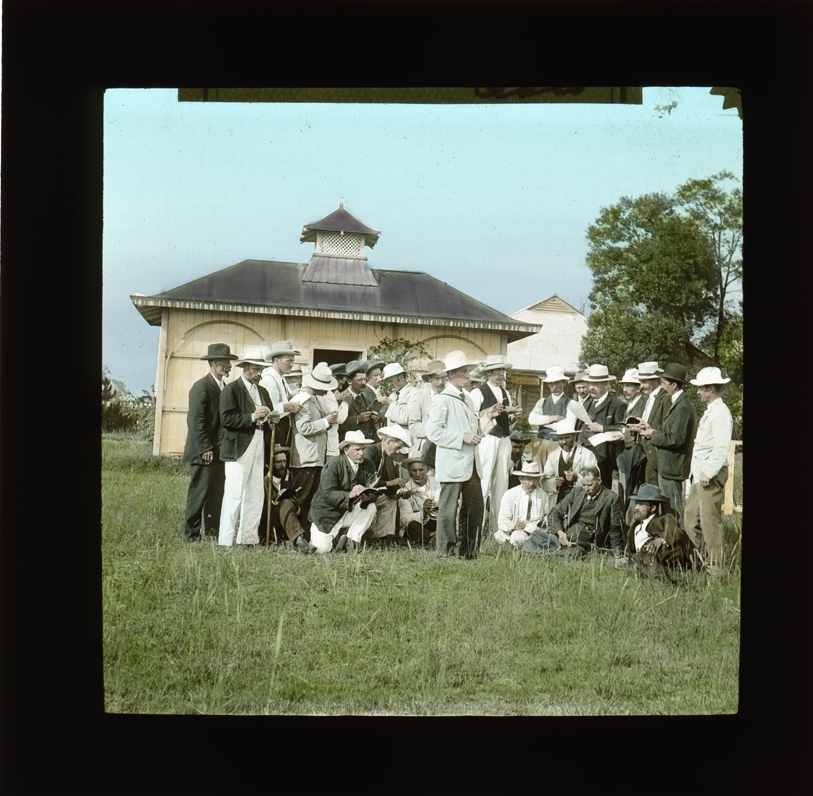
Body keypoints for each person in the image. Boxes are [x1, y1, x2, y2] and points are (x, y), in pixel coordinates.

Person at [427, 350, 501, 558]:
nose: (468, 375)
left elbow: (476, 433)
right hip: (452, 464)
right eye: (464, 371)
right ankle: (445, 552)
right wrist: (462, 437)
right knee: (448, 511)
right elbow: (433, 432)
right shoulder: (443, 399)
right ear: (451, 374)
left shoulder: (466, 399)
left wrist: (489, 418)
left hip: (471, 466)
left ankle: (469, 552)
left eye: (468, 371)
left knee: (475, 509)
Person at [218, 348, 276, 547]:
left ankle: (247, 539)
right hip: (239, 445)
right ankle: (226, 540)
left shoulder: (263, 391)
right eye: (255, 369)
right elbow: (226, 419)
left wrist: (271, 417)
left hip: (260, 441)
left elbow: (269, 414)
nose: (259, 373)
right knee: (234, 493)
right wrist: (252, 417)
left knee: (255, 492)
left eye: (261, 369)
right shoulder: (231, 390)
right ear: (245, 368)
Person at [182, 343, 237, 542]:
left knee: (216, 495)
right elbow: (196, 422)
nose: (229, 366)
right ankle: (192, 535)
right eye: (226, 363)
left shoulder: (223, 386)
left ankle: (212, 534)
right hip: (204, 452)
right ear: (214, 364)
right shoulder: (201, 387)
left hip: (220, 452)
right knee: (199, 493)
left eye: (229, 363)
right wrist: (205, 447)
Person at [683, 367, 734, 572]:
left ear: (711, 388)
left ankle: (716, 570)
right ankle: (703, 561)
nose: (697, 392)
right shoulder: (711, 411)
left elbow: (722, 447)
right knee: (690, 519)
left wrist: (709, 472)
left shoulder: (721, 413)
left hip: (708, 476)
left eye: (701, 388)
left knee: (710, 524)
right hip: (700, 475)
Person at [636, 363, 697, 528]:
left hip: (673, 467)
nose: (661, 386)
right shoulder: (676, 403)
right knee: (669, 507)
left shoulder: (682, 407)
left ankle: (678, 544)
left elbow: (675, 439)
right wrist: (650, 427)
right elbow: (669, 431)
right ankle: (672, 542)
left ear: (673, 385)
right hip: (668, 465)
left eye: (663, 383)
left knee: (673, 508)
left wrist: (652, 434)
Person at [470, 355, 523, 535]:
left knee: (501, 483)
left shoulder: (506, 393)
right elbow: (472, 418)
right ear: (489, 373)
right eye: (498, 371)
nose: (501, 375)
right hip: (487, 439)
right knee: (484, 483)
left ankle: (496, 529)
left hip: (504, 440)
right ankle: (476, 529)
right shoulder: (478, 392)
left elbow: (507, 422)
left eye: (503, 371)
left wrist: (512, 417)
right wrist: (489, 414)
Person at [526, 465, 623, 557]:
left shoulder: (611, 498)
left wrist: (617, 553)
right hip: (565, 535)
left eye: (589, 485)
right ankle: (554, 550)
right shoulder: (577, 492)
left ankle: (550, 553)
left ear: (599, 480)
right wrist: (560, 532)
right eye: (583, 485)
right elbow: (555, 512)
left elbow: (615, 529)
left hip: (585, 542)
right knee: (536, 536)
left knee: (575, 552)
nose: (586, 489)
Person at [308, 430, 379, 553]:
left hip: (349, 511)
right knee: (322, 550)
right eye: (357, 449)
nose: (361, 453)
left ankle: (351, 540)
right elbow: (327, 495)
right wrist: (350, 494)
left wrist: (369, 496)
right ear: (346, 450)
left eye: (363, 449)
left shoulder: (368, 464)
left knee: (371, 507)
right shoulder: (333, 465)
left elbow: (371, 488)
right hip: (327, 514)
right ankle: (334, 539)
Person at [288, 362, 340, 525]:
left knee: (310, 498)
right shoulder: (302, 400)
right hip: (305, 459)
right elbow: (303, 427)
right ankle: (294, 535)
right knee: (301, 498)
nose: (326, 390)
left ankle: (305, 534)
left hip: (314, 458)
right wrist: (325, 422)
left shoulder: (313, 400)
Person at [529, 366, 592, 467]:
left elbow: (568, 426)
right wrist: (553, 419)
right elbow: (532, 419)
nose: (555, 386)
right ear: (548, 385)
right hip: (540, 441)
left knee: (556, 470)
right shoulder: (542, 402)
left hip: (558, 443)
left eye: (557, 382)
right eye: (551, 383)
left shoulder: (571, 403)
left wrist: (544, 422)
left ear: (563, 383)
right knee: (537, 469)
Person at [624, 483, 696, 573]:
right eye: (636, 504)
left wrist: (661, 539)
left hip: (659, 568)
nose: (636, 508)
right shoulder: (635, 526)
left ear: (653, 508)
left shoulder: (662, 519)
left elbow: (676, 531)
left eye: (641, 504)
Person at [259, 445, 316, 553]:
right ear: (268, 464)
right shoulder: (263, 483)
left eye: (284, 461)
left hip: (286, 523)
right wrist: (275, 502)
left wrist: (294, 503)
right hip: (269, 525)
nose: (283, 465)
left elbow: (298, 511)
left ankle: (300, 540)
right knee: (285, 503)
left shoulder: (288, 482)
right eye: (278, 462)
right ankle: (299, 541)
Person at [361, 425, 412, 542]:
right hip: (361, 494)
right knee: (385, 500)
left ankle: (382, 536)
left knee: (390, 500)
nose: (397, 451)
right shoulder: (370, 451)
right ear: (389, 441)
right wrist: (390, 483)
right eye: (397, 447)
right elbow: (366, 480)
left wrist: (399, 491)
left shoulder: (387, 457)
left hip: (373, 494)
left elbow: (390, 483)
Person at [579, 364, 626, 489]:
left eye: (596, 384)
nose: (591, 388)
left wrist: (602, 429)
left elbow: (622, 430)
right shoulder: (587, 403)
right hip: (584, 454)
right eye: (590, 384)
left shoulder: (617, 404)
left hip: (603, 458)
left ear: (606, 385)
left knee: (602, 490)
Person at [496, 461, 553, 549]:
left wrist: (542, 523)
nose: (533, 483)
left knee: (550, 539)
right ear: (521, 479)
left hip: (536, 530)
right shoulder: (510, 494)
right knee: (518, 538)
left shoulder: (543, 495)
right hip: (518, 531)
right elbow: (503, 519)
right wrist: (515, 525)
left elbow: (548, 516)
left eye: (535, 479)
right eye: (529, 479)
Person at [541, 419, 598, 504]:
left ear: (574, 436)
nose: (563, 442)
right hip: (558, 501)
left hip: (581, 500)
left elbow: (595, 479)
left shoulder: (587, 454)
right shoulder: (552, 456)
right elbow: (543, 481)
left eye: (567, 437)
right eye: (560, 438)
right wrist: (554, 482)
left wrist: (577, 477)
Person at [259, 340, 302, 447]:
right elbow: (265, 408)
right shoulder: (269, 379)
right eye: (289, 361)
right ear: (277, 360)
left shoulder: (280, 378)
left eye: (293, 361)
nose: (292, 365)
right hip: (273, 430)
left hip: (282, 429)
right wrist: (286, 408)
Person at [636, 361, 670, 485]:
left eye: (644, 382)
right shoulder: (647, 398)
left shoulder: (665, 398)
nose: (641, 386)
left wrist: (649, 428)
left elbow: (667, 427)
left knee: (655, 488)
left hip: (656, 452)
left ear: (655, 381)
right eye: (640, 382)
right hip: (644, 450)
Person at [407, 360, 446, 458]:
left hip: (445, 447)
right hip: (426, 448)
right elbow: (413, 427)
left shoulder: (449, 398)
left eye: (444, 378)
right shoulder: (420, 400)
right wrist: (434, 426)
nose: (441, 382)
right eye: (437, 378)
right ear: (429, 379)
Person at [398, 457, 440, 546]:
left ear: (427, 469)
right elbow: (405, 519)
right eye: (414, 470)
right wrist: (423, 513)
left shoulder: (437, 483)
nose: (417, 474)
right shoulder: (405, 490)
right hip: (419, 525)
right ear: (409, 471)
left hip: (435, 521)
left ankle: (429, 539)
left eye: (421, 470)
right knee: (412, 526)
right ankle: (433, 538)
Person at [338, 360, 381, 442]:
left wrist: (375, 420)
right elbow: (336, 424)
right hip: (350, 445)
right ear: (350, 381)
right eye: (359, 380)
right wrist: (357, 419)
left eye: (365, 379)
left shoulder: (366, 397)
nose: (364, 383)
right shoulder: (340, 398)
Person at [381, 362, 416, 431]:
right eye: (387, 382)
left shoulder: (415, 394)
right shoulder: (393, 395)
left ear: (401, 377)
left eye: (390, 381)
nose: (389, 385)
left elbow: (407, 418)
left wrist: (390, 403)